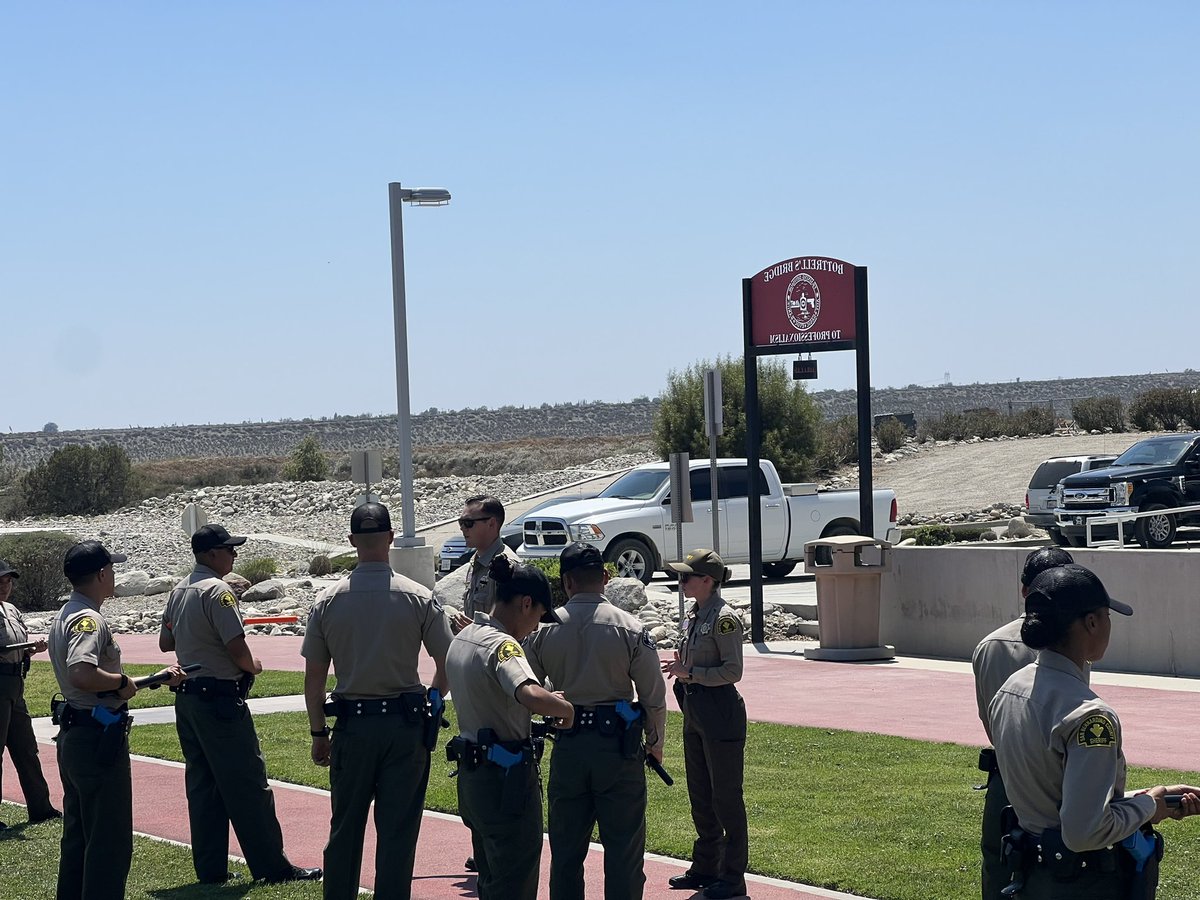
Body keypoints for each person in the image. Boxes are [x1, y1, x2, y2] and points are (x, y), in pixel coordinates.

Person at [989, 564, 1200, 899]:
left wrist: (1150, 796)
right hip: (1083, 884)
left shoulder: (1010, 690)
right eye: (1106, 616)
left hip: (1032, 878)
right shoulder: (1090, 715)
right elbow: (1083, 832)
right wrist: (1149, 808)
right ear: (1091, 622)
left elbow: (1056, 799)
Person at [302, 502, 454, 900]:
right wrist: (433, 698)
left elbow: (314, 678)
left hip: (352, 727)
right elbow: (448, 662)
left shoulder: (328, 601)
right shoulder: (419, 597)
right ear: (390, 538)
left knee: (346, 829)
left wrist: (319, 732)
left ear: (352, 541)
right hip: (405, 728)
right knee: (398, 832)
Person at [160, 524, 321, 885]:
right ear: (212, 554)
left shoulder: (179, 590)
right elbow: (236, 647)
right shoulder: (218, 592)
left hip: (188, 699)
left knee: (203, 786)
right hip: (219, 698)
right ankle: (272, 867)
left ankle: (210, 868)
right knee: (248, 784)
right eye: (230, 550)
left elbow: (165, 642)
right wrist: (254, 666)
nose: (234, 556)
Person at [525, 541, 667, 900]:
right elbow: (653, 696)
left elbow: (523, 687)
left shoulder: (544, 629)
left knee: (566, 853)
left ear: (567, 580)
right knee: (624, 852)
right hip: (617, 749)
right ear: (605, 577)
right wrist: (656, 743)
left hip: (569, 743)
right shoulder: (631, 627)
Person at [50, 540, 186, 900]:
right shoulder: (88, 619)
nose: (114, 575)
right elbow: (83, 674)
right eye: (111, 569)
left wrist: (147, 680)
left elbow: (93, 684)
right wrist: (123, 682)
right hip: (96, 738)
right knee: (108, 841)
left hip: (78, 730)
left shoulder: (66, 613)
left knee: (79, 837)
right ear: (101, 574)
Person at [446, 555, 574, 900]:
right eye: (537, 617)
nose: (535, 626)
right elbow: (529, 693)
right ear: (526, 603)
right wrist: (564, 708)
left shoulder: (465, 637)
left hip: (473, 777)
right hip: (506, 781)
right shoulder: (503, 645)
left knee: (490, 878)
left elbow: (493, 700)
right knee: (514, 881)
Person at [971, 546, 1072, 900]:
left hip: (1006, 771)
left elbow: (990, 718)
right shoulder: (1071, 641)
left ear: (1024, 590)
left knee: (1001, 864)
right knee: (1060, 866)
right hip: (1060, 777)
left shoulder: (990, 645)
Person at [661, 549, 747, 900]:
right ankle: (706, 867)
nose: (681, 582)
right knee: (700, 795)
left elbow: (733, 671)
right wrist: (684, 674)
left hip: (719, 711)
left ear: (708, 581)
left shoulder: (723, 618)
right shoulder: (694, 616)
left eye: (687, 577)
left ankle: (732, 877)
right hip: (696, 710)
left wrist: (691, 673)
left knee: (726, 797)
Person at [0, 558, 59, 829]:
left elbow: (16, 646)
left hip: (15, 683)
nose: (5, 586)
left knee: (26, 749)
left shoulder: (11, 610)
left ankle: (41, 807)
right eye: (0, 581)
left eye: (8, 581)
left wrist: (30, 648)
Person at [451, 494, 520, 634]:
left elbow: (517, 624)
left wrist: (477, 631)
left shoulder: (509, 566)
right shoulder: (475, 563)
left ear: (491, 524)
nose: (463, 528)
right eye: (461, 522)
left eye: (468, 522)